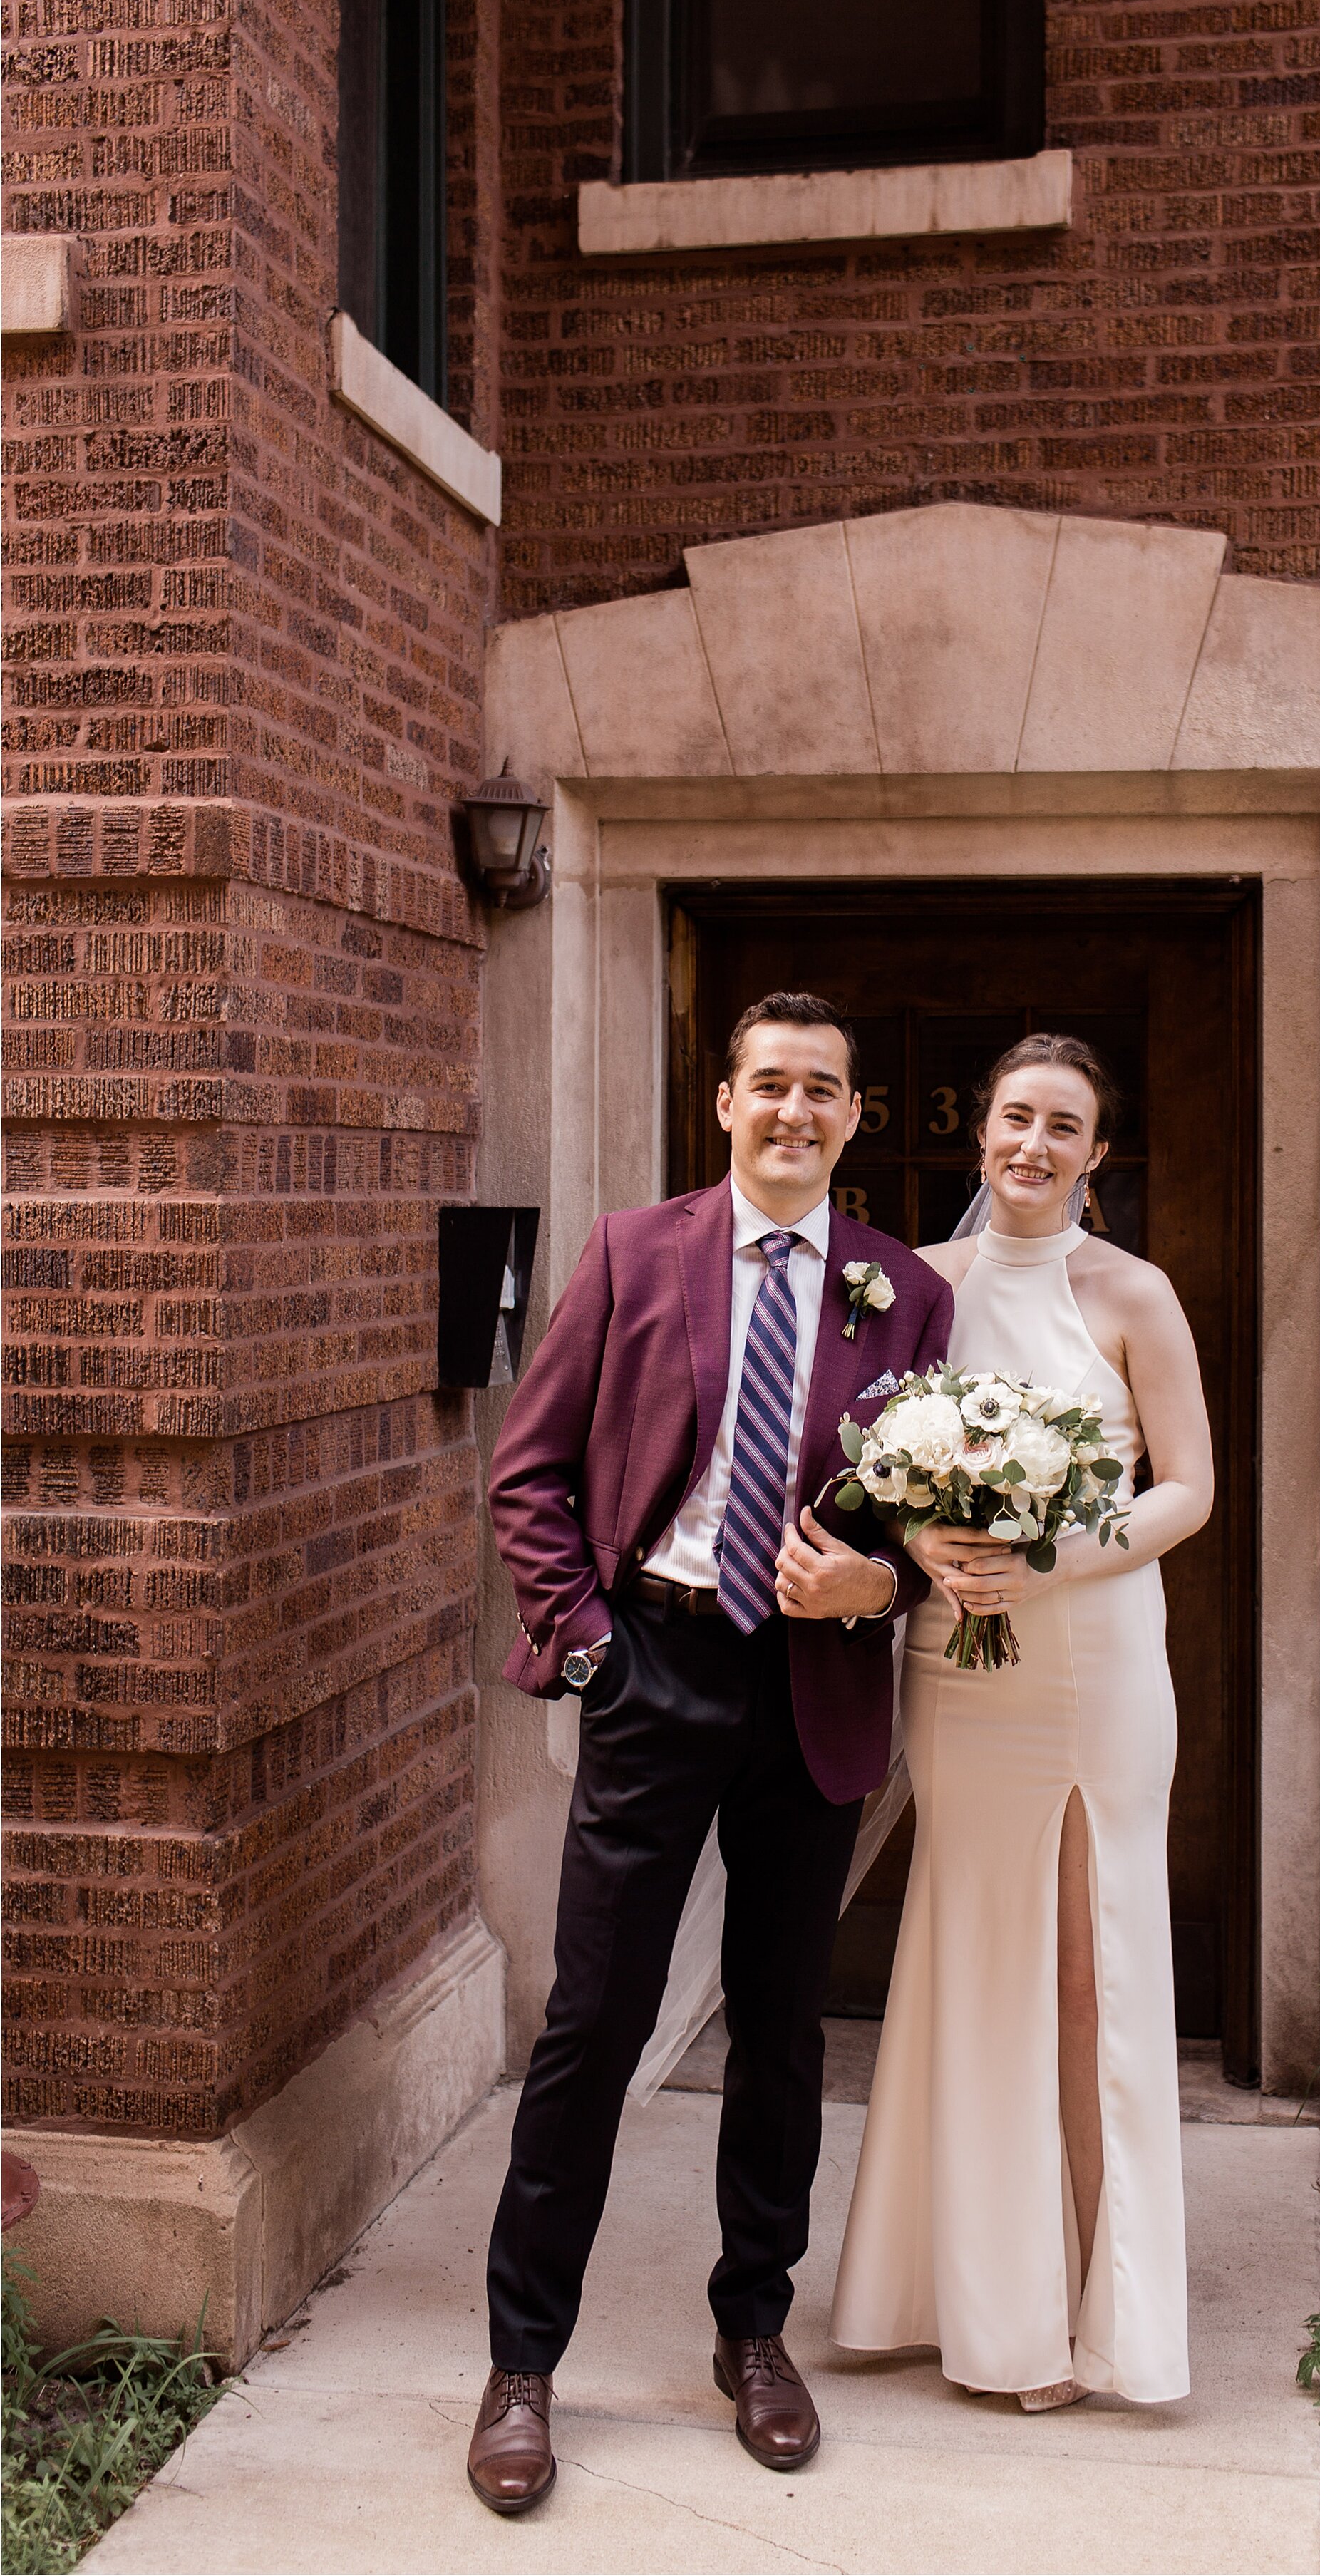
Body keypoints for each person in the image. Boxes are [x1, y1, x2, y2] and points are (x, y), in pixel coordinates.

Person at [468, 993, 952, 2513]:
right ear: (724, 1103)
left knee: (783, 2027)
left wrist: (888, 1582)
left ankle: (754, 2329)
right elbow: (529, 1473)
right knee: (591, 2022)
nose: (794, 1110)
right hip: (656, 1667)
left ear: (853, 1116)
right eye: (769, 1085)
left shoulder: (903, 1291)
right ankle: (522, 2360)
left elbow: (944, 1510)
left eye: (823, 1089)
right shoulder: (632, 1253)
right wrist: (592, 1644)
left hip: (814, 1686)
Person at [831, 1033, 1215, 2409]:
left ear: (1096, 1154)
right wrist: (932, 1543)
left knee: (1084, 1968)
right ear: (981, 1132)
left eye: (1064, 1126)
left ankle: (1093, 2310)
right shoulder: (919, 1290)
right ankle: (984, 2308)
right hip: (961, 1664)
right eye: (1014, 1119)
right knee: (970, 1954)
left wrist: (1056, 1552)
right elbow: (867, 1466)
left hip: (1097, 1660)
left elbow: (1190, 1491)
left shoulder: (1134, 1292)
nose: (1032, 1145)